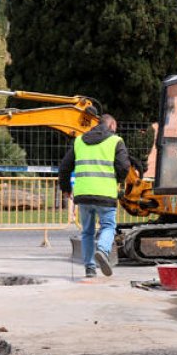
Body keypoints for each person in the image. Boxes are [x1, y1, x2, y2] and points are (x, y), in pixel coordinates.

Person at [58, 114, 130, 277]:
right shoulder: (115, 141)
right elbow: (124, 167)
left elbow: (64, 167)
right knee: (108, 226)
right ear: (112, 125)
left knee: (87, 232)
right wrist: (118, 180)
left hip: (83, 195)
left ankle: (90, 268)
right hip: (105, 194)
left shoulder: (79, 141)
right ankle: (103, 251)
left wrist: (66, 188)